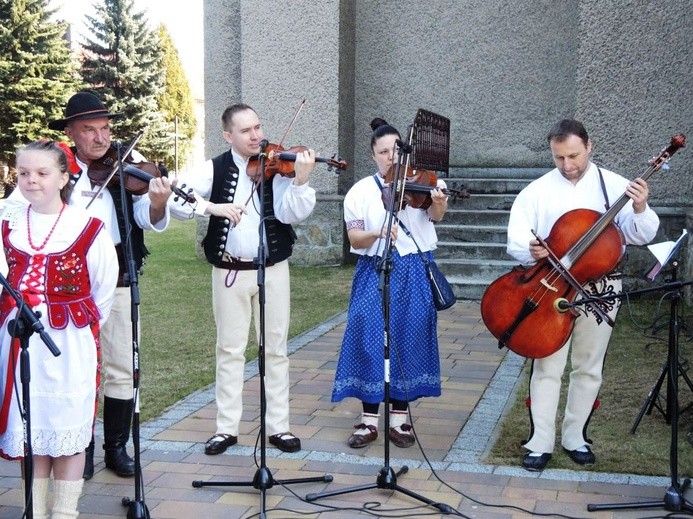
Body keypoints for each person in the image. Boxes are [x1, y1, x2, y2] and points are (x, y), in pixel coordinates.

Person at [506, 118, 660, 471]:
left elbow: (641, 235)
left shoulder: (615, 186)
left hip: (601, 288)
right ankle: (539, 443)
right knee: (546, 365)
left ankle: (575, 437)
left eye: (573, 155)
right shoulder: (536, 191)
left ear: (589, 146)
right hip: (551, 286)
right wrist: (529, 249)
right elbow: (514, 239)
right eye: (559, 158)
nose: (567, 165)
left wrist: (639, 208)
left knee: (588, 366)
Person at [169, 103, 316, 454]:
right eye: (247, 130)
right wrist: (209, 207)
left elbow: (291, 212)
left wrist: (301, 179)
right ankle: (226, 428)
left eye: (258, 127)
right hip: (229, 272)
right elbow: (176, 201)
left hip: (273, 269)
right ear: (228, 135)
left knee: (276, 349)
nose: (256, 136)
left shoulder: (277, 167)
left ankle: (279, 427)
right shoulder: (214, 168)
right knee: (230, 350)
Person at [42, 92, 174, 479]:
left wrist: (159, 203)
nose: (100, 139)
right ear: (70, 133)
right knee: (74, 370)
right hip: (68, 289)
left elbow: (146, 218)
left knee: (121, 367)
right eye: (89, 130)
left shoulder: (124, 168)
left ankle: (115, 447)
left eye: (105, 129)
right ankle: (76, 449)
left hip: (117, 279)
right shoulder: (56, 169)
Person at [0, 140, 118, 518]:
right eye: (23, 173)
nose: (31, 180)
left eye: (42, 173)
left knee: (66, 433)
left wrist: (67, 319)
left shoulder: (87, 227)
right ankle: (34, 512)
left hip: (67, 342)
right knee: (31, 430)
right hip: (18, 340)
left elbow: (103, 289)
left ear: (64, 177)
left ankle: (65, 513)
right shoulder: (8, 224)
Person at [330, 118, 449, 449]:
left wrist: (438, 201)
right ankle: (369, 421)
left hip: (413, 268)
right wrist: (377, 232)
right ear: (373, 155)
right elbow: (355, 236)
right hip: (374, 268)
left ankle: (399, 418)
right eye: (383, 152)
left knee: (408, 335)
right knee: (369, 336)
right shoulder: (360, 191)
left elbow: (436, 217)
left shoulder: (421, 182)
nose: (391, 158)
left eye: (397, 151)